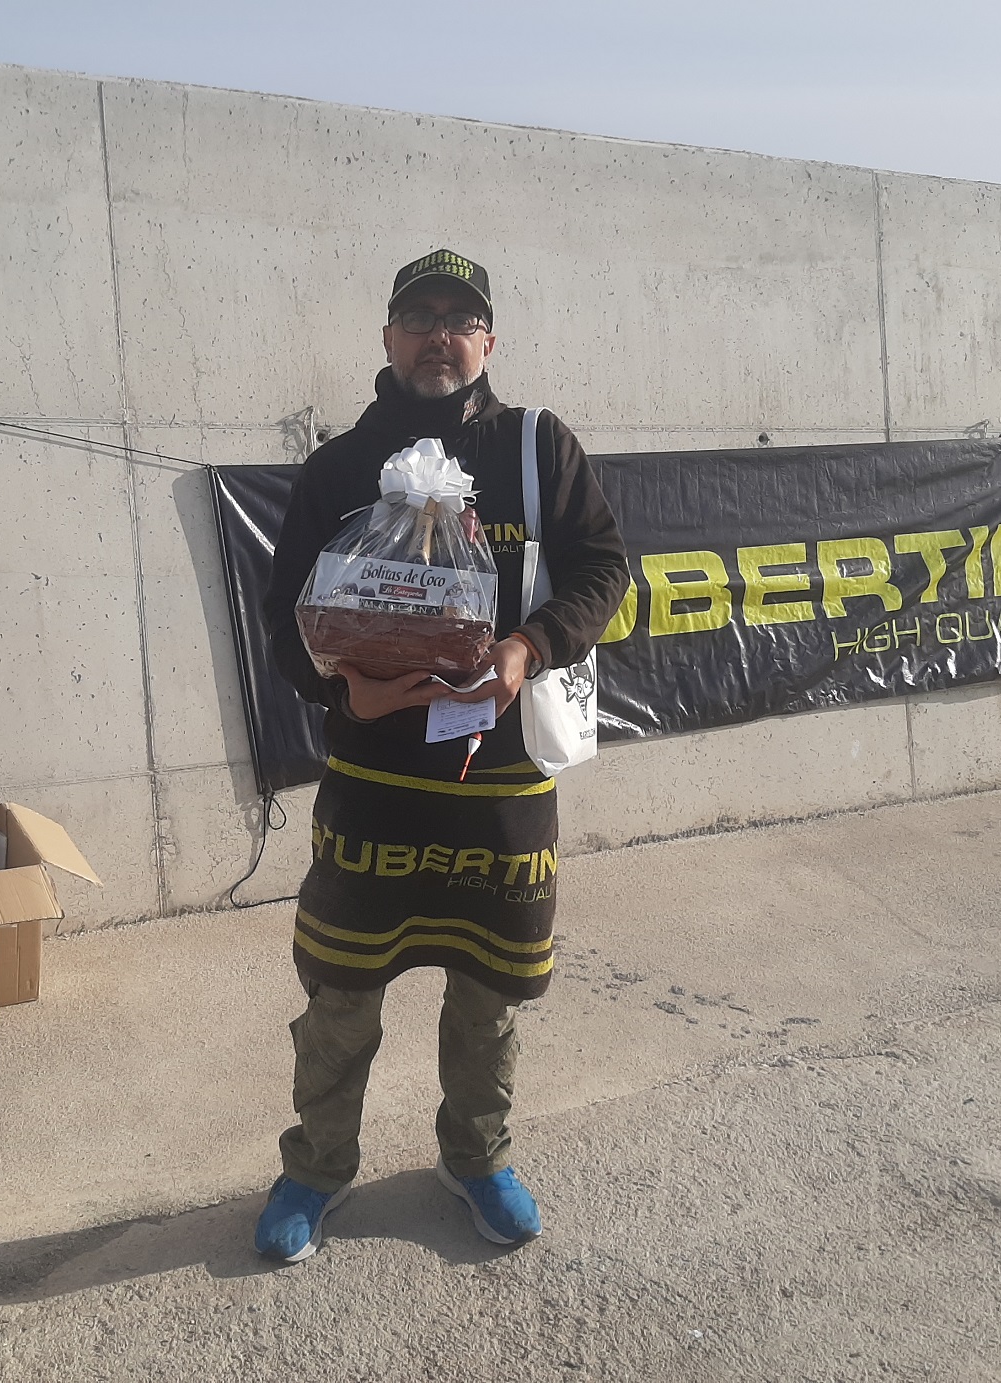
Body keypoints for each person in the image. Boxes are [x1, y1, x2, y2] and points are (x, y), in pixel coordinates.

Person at [256, 249, 629, 1261]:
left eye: (459, 320)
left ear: (488, 341)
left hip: (500, 782)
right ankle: (315, 1166)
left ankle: (476, 1156)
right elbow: (283, 618)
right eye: (417, 317)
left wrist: (527, 647)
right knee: (340, 995)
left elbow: (603, 570)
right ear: (386, 338)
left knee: (488, 996)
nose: (438, 336)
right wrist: (345, 689)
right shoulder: (339, 466)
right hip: (372, 785)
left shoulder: (535, 447)